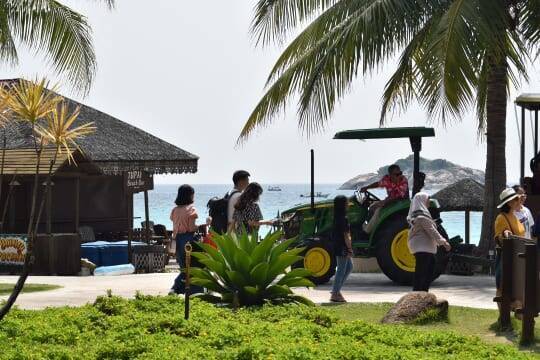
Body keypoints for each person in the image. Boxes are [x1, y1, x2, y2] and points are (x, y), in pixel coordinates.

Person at [407, 192, 451, 292]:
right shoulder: (421, 216)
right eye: (427, 201)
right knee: (422, 269)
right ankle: (418, 291)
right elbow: (432, 230)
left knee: (429, 267)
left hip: (422, 246)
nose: (428, 203)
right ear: (421, 201)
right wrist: (444, 242)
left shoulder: (416, 214)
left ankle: (422, 291)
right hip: (422, 246)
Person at [169, 184, 208, 295]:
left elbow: (174, 222)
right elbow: (191, 227)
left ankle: (178, 289)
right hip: (188, 240)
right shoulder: (191, 209)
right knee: (193, 266)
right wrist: (199, 226)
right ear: (190, 195)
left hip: (177, 240)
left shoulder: (175, 210)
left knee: (183, 267)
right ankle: (178, 288)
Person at [494, 188, 525, 296]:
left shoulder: (514, 216)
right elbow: (499, 236)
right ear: (509, 203)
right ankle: (502, 312)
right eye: (517, 199)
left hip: (519, 256)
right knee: (502, 287)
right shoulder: (501, 218)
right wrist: (505, 233)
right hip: (507, 258)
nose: (519, 201)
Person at [361, 164, 409, 233]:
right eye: (396, 174)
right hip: (391, 199)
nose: (399, 176)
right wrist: (367, 187)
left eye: (400, 173)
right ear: (390, 175)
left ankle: (366, 231)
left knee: (378, 210)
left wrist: (383, 203)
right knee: (372, 206)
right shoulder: (387, 180)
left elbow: (398, 196)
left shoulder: (403, 180)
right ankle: (367, 225)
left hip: (401, 202)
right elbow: (378, 184)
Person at [330, 195, 353, 303]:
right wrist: (349, 248)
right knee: (341, 269)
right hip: (342, 246)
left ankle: (336, 290)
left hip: (339, 245)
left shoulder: (336, 217)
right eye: (347, 202)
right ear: (343, 205)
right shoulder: (343, 219)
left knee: (349, 267)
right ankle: (335, 293)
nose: (348, 204)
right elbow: (346, 235)